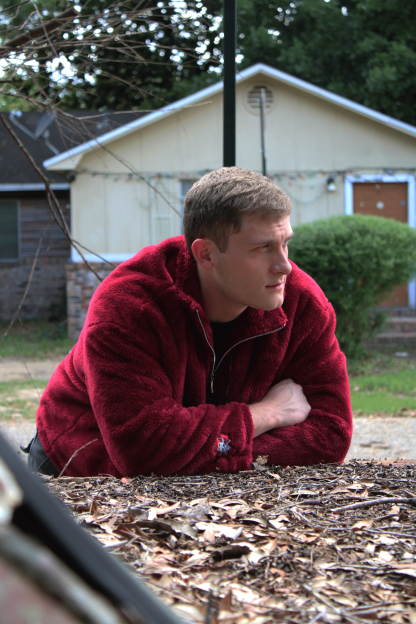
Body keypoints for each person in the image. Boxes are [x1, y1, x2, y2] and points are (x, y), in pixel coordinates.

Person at [29, 167, 352, 477]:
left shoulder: (302, 303)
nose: (285, 266)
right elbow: (142, 450)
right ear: (206, 254)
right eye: (263, 247)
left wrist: (205, 450)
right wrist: (267, 414)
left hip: (208, 486)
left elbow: (331, 434)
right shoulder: (129, 305)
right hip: (76, 467)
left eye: (285, 243)